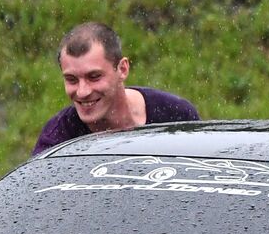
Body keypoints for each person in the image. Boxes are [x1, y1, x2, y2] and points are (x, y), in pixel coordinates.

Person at [32, 22, 198, 156]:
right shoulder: (57, 141)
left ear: (122, 69)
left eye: (94, 77)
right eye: (71, 79)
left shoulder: (176, 116)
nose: (82, 92)